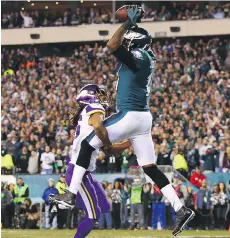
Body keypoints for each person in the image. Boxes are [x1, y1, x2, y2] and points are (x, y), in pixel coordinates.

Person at [52, 5, 194, 236]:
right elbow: (123, 46)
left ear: (133, 42)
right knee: (150, 167)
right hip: (143, 119)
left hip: (130, 115)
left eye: (128, 39)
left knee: (88, 144)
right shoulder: (146, 56)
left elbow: (112, 45)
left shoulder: (138, 55)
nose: (124, 42)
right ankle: (180, 208)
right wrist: (133, 26)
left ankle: (70, 193)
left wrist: (127, 23)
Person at [50, 84, 131, 237]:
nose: (103, 97)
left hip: (82, 172)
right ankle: (68, 198)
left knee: (101, 209)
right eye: (99, 94)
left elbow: (109, 150)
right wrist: (108, 142)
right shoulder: (95, 107)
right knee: (93, 214)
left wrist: (129, 143)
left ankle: (68, 200)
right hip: (78, 172)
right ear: (90, 95)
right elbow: (99, 127)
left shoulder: (87, 114)